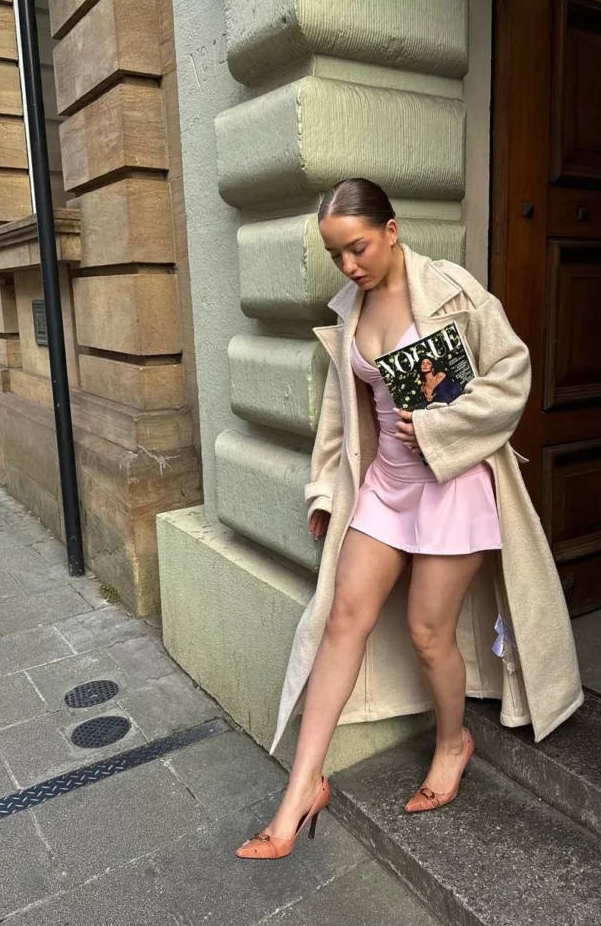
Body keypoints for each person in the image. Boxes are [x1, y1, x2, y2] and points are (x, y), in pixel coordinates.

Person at [236, 178, 582, 861]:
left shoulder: (450, 289)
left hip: (452, 488)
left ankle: (453, 743)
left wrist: (439, 423)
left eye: (356, 248)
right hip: (385, 490)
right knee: (341, 619)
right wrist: (325, 492)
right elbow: (344, 411)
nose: (348, 265)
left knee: (429, 635)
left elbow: (510, 375)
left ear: (391, 231)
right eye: (335, 255)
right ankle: (300, 791)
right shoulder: (349, 308)